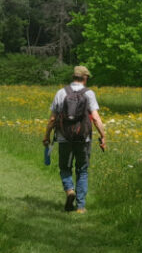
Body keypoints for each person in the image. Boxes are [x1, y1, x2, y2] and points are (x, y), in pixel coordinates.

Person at [43, 66, 106, 214]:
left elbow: (53, 119)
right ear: (85, 78)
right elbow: (96, 119)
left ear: (73, 77)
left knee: (65, 168)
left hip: (64, 138)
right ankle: (81, 207)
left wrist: (46, 136)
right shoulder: (89, 93)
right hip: (83, 138)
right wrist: (103, 136)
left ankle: (70, 190)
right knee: (82, 170)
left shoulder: (61, 93)